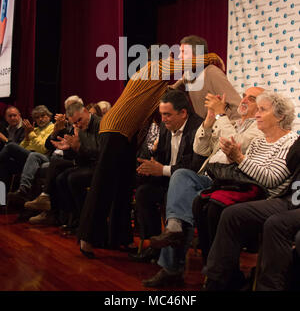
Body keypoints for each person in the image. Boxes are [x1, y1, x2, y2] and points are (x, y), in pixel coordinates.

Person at [78, 49, 223, 258]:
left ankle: (119, 239)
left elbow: (170, 91)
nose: (174, 61)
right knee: (103, 185)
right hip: (116, 130)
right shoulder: (153, 68)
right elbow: (186, 66)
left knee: (123, 189)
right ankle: (87, 238)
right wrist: (212, 58)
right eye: (171, 57)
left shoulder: (153, 83)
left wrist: (181, 83)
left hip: (125, 135)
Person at [142, 86, 264, 287]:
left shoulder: (258, 128)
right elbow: (201, 148)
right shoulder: (232, 123)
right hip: (209, 177)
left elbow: (235, 145)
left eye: (251, 98)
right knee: (180, 180)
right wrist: (208, 121)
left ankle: (172, 267)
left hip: (231, 183)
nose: (244, 100)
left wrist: (222, 114)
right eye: (243, 96)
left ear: (261, 107)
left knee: (187, 202)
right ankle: (173, 230)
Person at [198, 91, 300, 291]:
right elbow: (244, 174)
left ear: (280, 116)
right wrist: (232, 158)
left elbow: (271, 179)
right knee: (203, 204)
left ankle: (219, 279)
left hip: (271, 196)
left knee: (224, 210)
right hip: (251, 192)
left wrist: (239, 159)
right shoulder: (258, 141)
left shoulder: (290, 143)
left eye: (263, 110)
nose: (257, 114)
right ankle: (220, 277)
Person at [130, 90, 205, 262]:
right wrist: (150, 166)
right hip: (166, 181)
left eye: (167, 115)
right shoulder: (165, 127)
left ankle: (172, 256)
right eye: (161, 114)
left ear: (183, 113)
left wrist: (161, 169)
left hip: (188, 186)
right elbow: (162, 157)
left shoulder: (198, 128)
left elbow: (195, 166)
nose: (162, 119)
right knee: (142, 192)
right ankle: (154, 245)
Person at [26, 101, 101, 229]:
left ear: (85, 112)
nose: (77, 124)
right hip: (84, 163)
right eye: (74, 123)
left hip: (99, 166)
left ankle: (83, 221)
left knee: (71, 177)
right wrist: (70, 148)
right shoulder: (80, 127)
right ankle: (70, 218)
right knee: (61, 178)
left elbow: (99, 153)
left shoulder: (99, 125)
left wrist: (77, 148)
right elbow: (78, 154)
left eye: (79, 121)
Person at [173, 36, 241, 120]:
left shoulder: (212, 73)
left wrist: (233, 130)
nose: (179, 56)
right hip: (205, 129)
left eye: (184, 52)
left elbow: (236, 105)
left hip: (221, 129)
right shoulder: (189, 76)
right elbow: (171, 93)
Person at [1, 105, 54, 203]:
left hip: (44, 157)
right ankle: (1, 201)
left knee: (11, 146)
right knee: (4, 165)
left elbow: (42, 149)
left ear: (49, 116)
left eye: (43, 116)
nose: (40, 119)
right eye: (37, 117)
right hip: (31, 155)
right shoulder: (35, 129)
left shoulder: (53, 128)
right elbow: (24, 147)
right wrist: (27, 135)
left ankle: (23, 189)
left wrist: (31, 134)